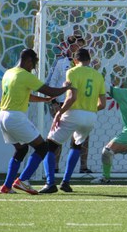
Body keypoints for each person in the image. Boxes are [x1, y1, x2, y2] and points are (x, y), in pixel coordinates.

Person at [0, 48, 72, 195]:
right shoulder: (25, 75)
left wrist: (44, 100)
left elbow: (25, 96)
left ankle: (7, 186)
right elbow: (49, 90)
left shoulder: (9, 73)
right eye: (33, 65)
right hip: (15, 117)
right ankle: (23, 180)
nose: (33, 68)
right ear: (28, 60)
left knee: (21, 149)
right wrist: (66, 88)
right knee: (43, 147)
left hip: (2, 116)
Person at [39, 48, 106, 193]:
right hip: (91, 117)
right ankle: (66, 182)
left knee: (49, 145)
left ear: (75, 60)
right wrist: (89, 110)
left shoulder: (72, 71)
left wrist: (59, 113)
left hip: (73, 113)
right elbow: (102, 104)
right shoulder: (98, 76)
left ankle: (50, 183)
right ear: (89, 60)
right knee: (77, 145)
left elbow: (72, 98)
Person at [46, 34, 92, 174]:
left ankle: (83, 167)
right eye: (78, 45)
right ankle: (55, 167)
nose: (80, 48)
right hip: (62, 104)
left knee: (81, 138)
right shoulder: (60, 62)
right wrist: (53, 101)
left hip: (79, 107)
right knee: (57, 138)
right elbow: (51, 83)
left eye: (82, 45)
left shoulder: (87, 67)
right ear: (71, 46)